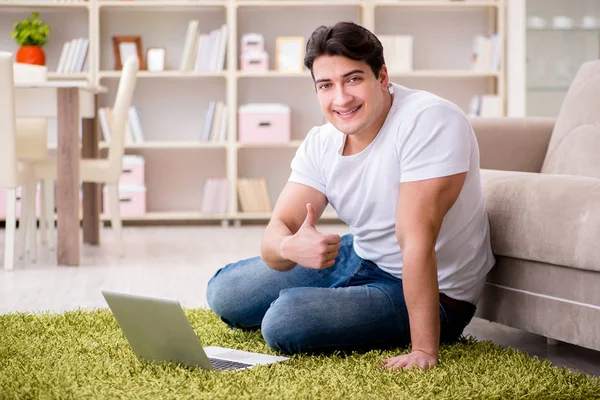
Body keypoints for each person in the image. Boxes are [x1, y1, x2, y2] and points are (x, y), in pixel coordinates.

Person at [206, 21, 495, 371]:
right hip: (362, 254)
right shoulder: (322, 141)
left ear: (383, 77)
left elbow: (416, 238)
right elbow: (278, 226)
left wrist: (423, 351)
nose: (341, 99)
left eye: (353, 79)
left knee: (284, 322)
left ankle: (340, 307)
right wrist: (288, 247)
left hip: (438, 293)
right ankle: (342, 299)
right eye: (326, 85)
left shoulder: (430, 120)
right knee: (226, 293)